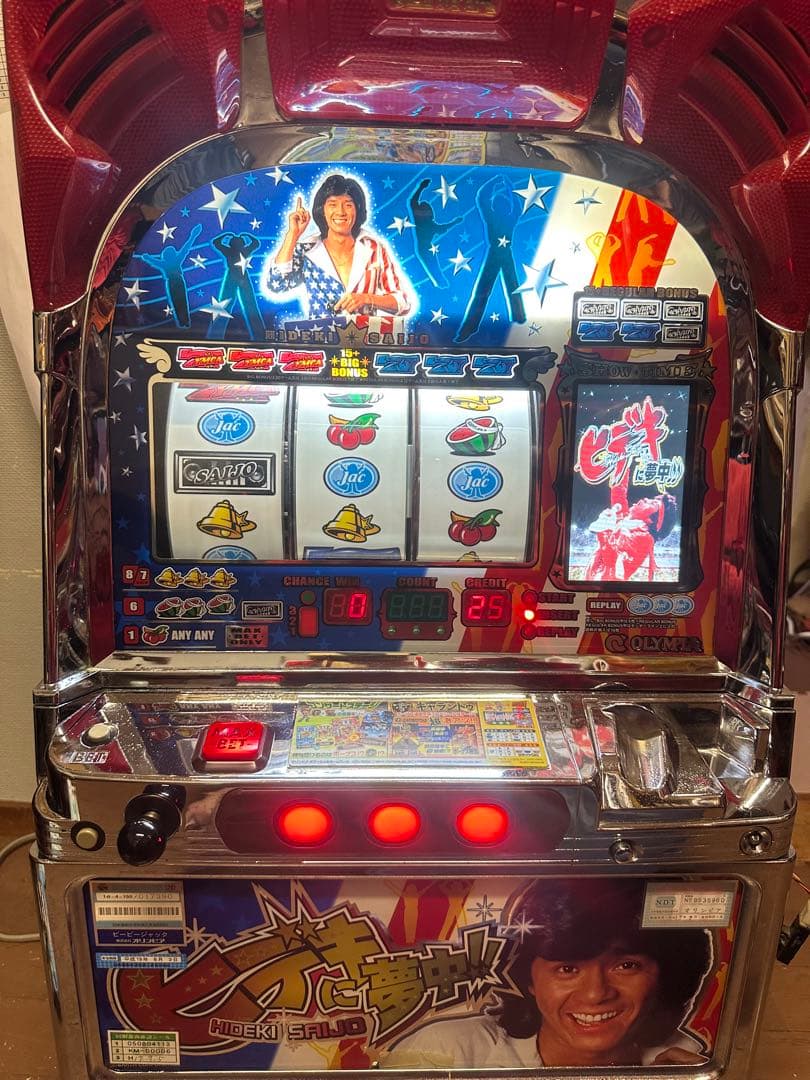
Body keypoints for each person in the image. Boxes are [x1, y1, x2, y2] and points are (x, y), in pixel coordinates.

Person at [382, 879, 712, 1070]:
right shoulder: (446, 1050)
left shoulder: (693, 1062)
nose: (596, 993)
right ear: (528, 980)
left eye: (626, 966)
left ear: (665, 974)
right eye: (567, 969)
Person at [262, 173, 410, 322]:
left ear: (357, 209)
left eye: (348, 205)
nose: (341, 212)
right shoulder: (307, 250)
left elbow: (402, 303)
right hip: (320, 335)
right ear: (322, 210)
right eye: (333, 204)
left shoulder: (373, 248)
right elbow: (277, 283)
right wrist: (293, 234)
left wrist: (366, 299)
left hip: (364, 335)